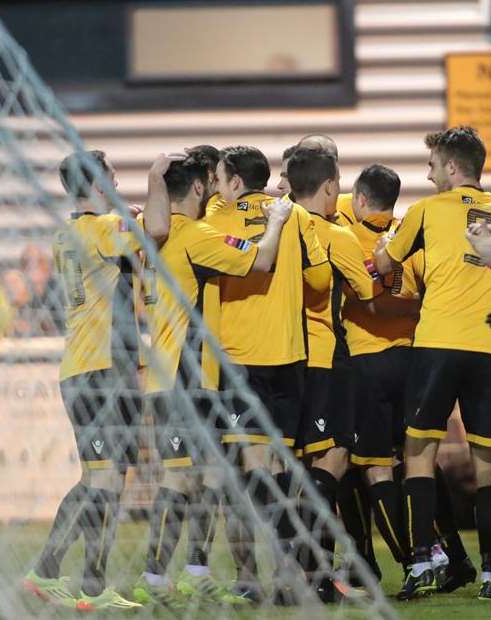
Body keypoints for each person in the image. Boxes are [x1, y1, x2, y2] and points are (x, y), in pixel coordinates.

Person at [132, 151, 293, 608]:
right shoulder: (195, 236)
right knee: (178, 480)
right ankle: (153, 576)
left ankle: (196, 571)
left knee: (204, 479)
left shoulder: (155, 232)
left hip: (180, 373)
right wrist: (277, 218)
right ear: (200, 190)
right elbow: (260, 260)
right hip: (183, 373)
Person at [374, 126, 491, 600]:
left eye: (433, 165)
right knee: (489, 464)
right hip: (489, 347)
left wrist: (390, 256)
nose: (429, 172)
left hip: (437, 343)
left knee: (418, 453)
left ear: (453, 168)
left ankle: (421, 565)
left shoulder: (425, 211)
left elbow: (383, 264)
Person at [205, 145, 331, 601]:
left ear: (235, 181)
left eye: (220, 178)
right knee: (282, 470)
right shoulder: (296, 216)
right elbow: (320, 282)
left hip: (240, 360)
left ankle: (247, 578)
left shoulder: (215, 220)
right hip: (291, 355)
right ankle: (285, 576)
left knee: (244, 475)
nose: (217, 186)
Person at [24, 150, 143, 611]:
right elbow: (154, 231)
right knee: (106, 479)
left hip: (82, 369)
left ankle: (54, 573)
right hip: (103, 371)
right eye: (113, 176)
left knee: (101, 477)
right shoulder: (102, 229)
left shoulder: (68, 232)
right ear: (99, 185)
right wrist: (148, 189)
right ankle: (87, 585)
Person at [284, 146, 380, 602]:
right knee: (334, 460)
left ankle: (303, 575)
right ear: (327, 187)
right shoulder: (336, 235)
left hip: (283, 358)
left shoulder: (278, 226)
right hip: (327, 356)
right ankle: (314, 574)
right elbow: (365, 292)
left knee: (302, 467)